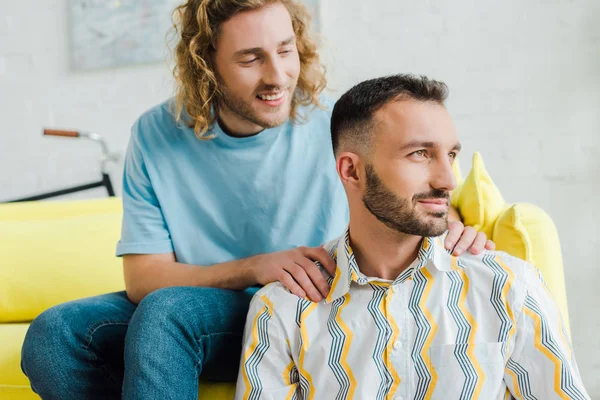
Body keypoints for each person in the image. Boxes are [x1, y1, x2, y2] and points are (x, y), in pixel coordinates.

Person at [20, 2, 492, 399]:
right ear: (207, 63)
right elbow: (144, 279)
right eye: (250, 59)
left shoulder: (335, 127)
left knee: (166, 314)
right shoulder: (154, 134)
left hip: (298, 304)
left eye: (285, 51)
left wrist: (451, 225)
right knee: (54, 334)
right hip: (200, 307)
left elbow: (405, 190)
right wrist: (256, 266)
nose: (278, 76)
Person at [235, 74, 590, 400]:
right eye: (421, 154)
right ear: (351, 170)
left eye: (450, 155)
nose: (448, 179)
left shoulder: (509, 286)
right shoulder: (282, 309)